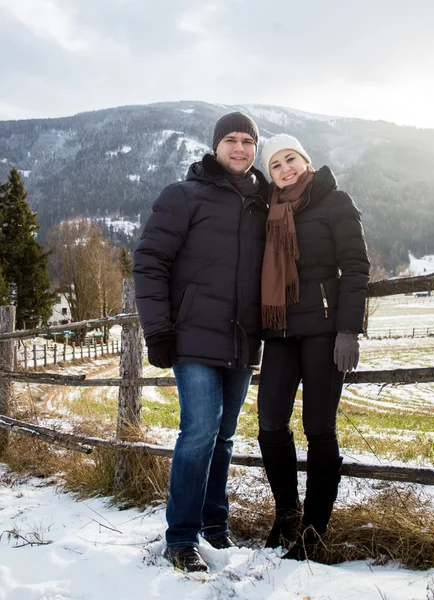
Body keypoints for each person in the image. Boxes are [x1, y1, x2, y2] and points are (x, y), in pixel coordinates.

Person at [133, 112, 269, 573]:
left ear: (256, 149)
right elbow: (150, 262)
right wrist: (158, 329)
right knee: (198, 433)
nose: (239, 148)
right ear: (215, 147)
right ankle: (181, 537)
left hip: (243, 340)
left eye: (247, 141)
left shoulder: (262, 203)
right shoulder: (183, 195)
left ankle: (215, 526)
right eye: (230, 140)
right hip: (192, 338)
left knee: (225, 437)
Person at [257, 134, 370, 561]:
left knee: (319, 428)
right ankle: (286, 514)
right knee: (270, 423)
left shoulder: (335, 201)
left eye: (291, 160)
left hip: (324, 331)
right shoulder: (269, 209)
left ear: (306, 160)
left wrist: (348, 330)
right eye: (276, 165)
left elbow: (356, 265)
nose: (285, 169)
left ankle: (313, 532)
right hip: (280, 331)